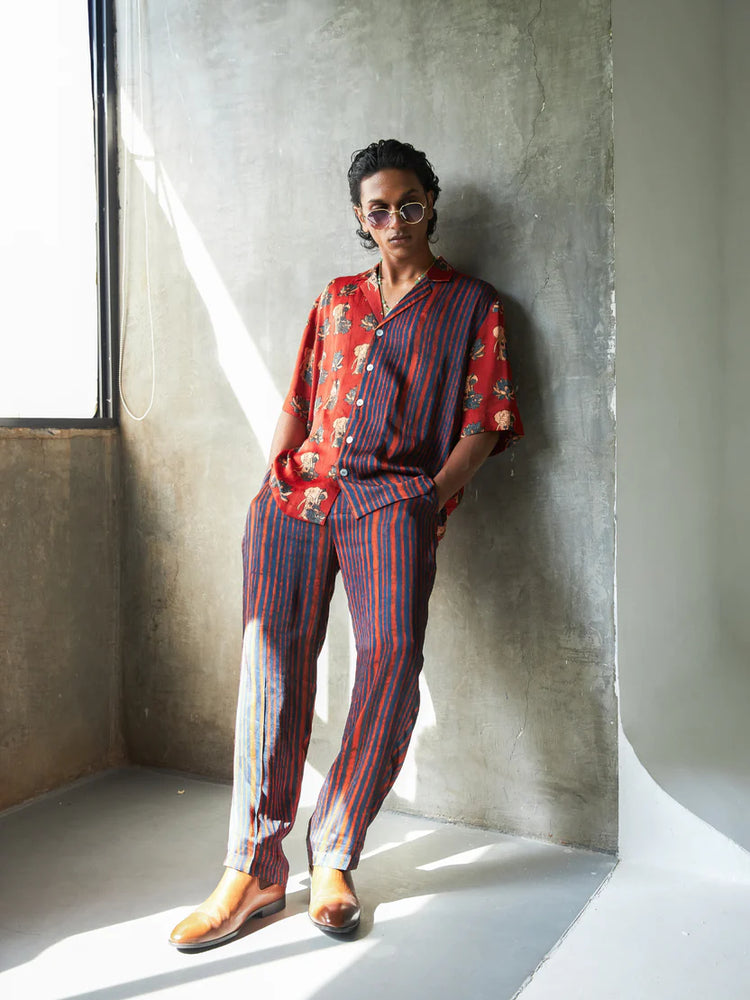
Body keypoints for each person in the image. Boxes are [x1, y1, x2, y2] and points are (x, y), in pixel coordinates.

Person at [169, 139, 523, 950]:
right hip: (296, 500)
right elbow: (298, 398)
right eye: (379, 209)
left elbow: (486, 421)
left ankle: (333, 853)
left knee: (392, 661)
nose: (396, 220)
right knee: (270, 671)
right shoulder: (335, 299)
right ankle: (252, 869)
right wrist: (272, 480)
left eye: (409, 203)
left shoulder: (473, 304)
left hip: (391, 501)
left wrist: (426, 498)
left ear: (431, 203)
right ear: (361, 219)